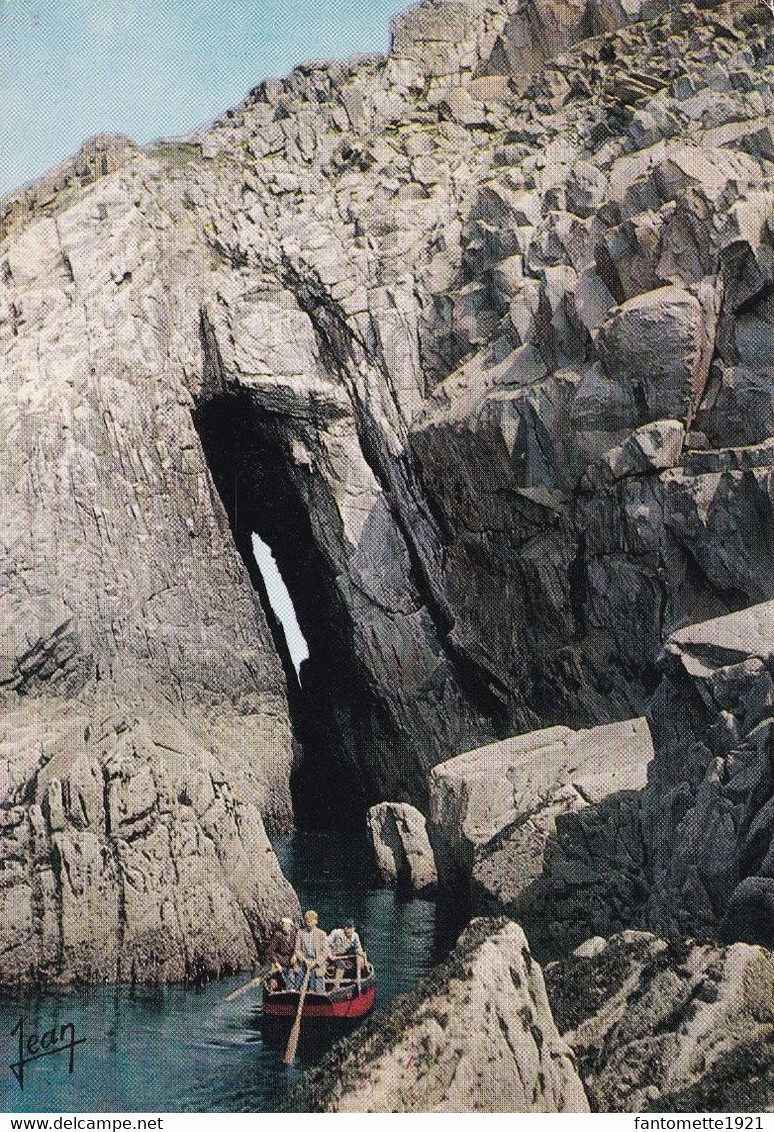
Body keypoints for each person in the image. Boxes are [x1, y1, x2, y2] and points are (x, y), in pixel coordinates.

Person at [292, 909, 329, 994]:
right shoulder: (300, 933)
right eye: (307, 921)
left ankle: (315, 992)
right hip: (303, 961)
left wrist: (315, 963)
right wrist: (305, 960)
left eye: (311, 921)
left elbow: (325, 952)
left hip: (316, 962)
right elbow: (297, 950)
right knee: (298, 979)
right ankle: (296, 992)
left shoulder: (322, 934)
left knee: (316, 980)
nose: (309, 923)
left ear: (316, 922)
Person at [327, 920, 365, 990]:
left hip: (340, 957)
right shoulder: (336, 933)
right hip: (329, 955)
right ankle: (332, 987)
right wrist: (330, 955)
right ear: (345, 928)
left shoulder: (355, 936)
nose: (350, 931)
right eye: (348, 928)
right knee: (322, 967)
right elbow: (325, 944)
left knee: (341, 965)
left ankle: (336, 987)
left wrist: (360, 954)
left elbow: (358, 947)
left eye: (352, 929)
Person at [267, 916, 297, 989]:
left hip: (289, 962)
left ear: (290, 927)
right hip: (279, 961)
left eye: (287, 925)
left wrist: (294, 956)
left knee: (291, 979)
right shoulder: (278, 935)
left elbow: (296, 948)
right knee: (276, 981)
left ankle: (290, 990)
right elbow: (271, 951)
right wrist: (277, 964)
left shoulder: (293, 935)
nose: (285, 927)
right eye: (284, 925)